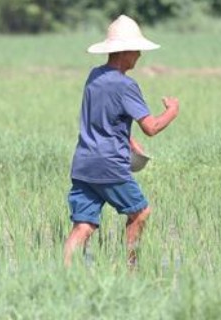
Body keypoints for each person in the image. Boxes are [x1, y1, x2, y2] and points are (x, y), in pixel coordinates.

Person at [63, 15, 180, 267]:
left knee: (84, 225)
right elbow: (151, 127)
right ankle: (131, 266)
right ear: (124, 51)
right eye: (136, 50)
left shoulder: (94, 76)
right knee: (140, 211)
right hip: (110, 166)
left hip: (83, 164)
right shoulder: (126, 85)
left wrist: (127, 139)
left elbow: (103, 117)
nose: (139, 55)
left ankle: (64, 272)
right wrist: (172, 110)